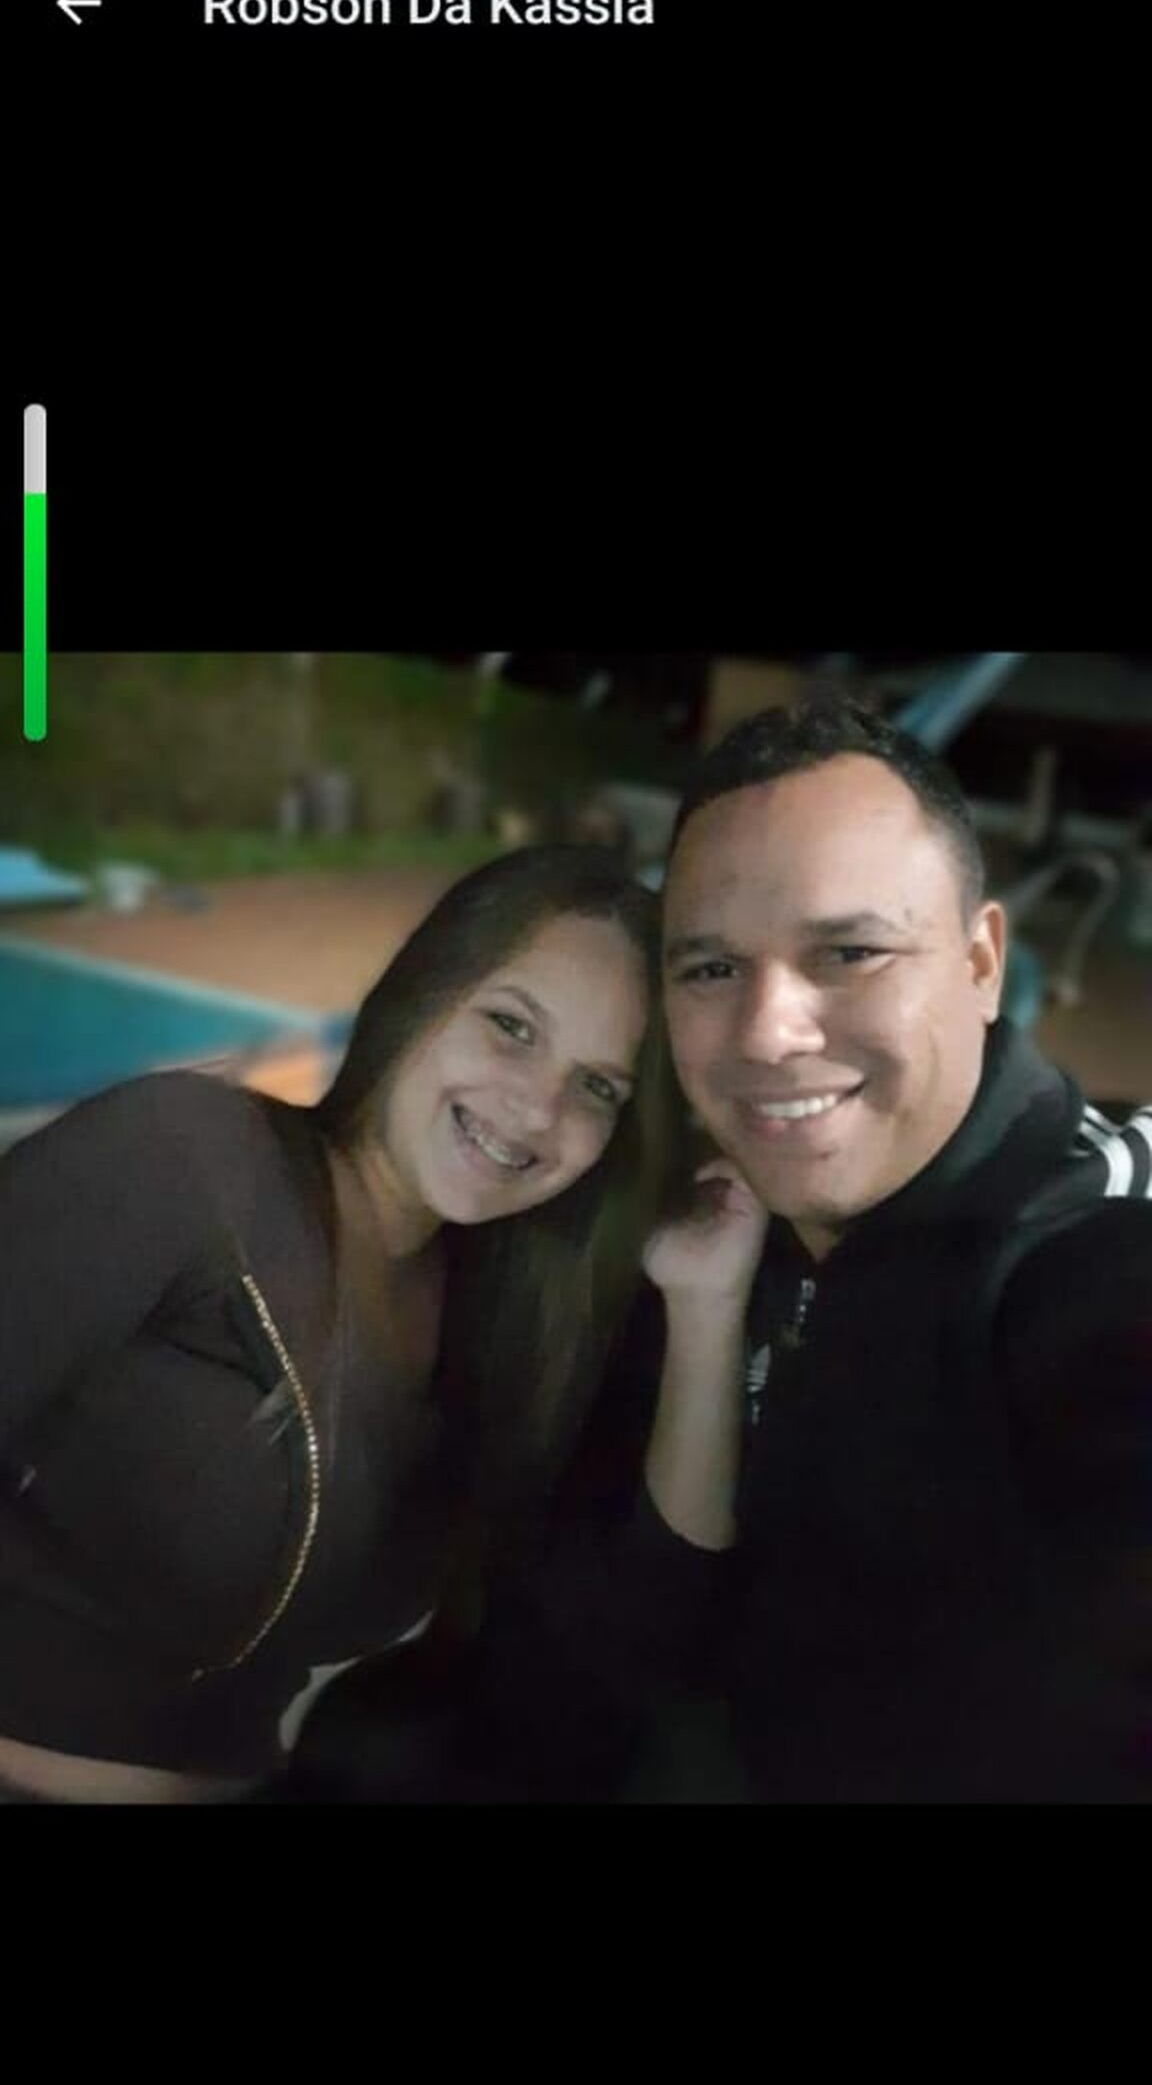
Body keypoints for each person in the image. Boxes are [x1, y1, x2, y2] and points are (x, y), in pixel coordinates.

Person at [429, 699, 1152, 1805]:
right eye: (711, 969)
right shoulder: (684, 1198)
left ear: (981, 962)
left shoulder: (1080, 1256)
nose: (768, 1033)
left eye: (850, 952)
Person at [0, 846, 670, 1804]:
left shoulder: (490, 1326)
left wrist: (707, 1299)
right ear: (423, 992)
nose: (537, 1109)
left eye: (598, 1086)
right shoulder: (182, 1164)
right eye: (512, 1026)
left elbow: (650, 1594)